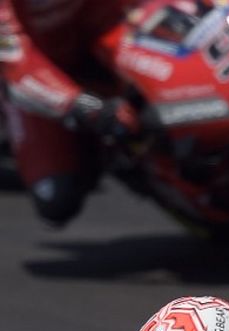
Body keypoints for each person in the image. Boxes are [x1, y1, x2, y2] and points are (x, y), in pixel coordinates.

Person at [0, 0, 140, 226]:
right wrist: (88, 108)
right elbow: (16, 67)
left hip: (106, 31)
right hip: (38, 75)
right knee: (57, 198)